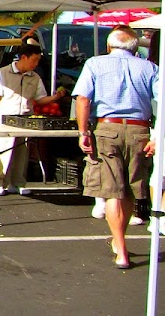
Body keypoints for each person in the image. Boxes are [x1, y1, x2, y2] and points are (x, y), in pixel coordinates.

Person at [75, 26, 159, 269]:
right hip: (139, 130)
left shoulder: (94, 63)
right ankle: (120, 243)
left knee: (112, 190)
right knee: (130, 190)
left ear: (110, 46)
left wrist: (83, 132)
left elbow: (83, 98)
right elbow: (162, 100)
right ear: (136, 47)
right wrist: (157, 135)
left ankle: (120, 247)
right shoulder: (150, 67)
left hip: (107, 128)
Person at [0, 43, 66, 196]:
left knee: (22, 152)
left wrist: (55, 98)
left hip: (26, 118)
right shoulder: (3, 73)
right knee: (4, 151)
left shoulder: (35, 77)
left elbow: (40, 99)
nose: (36, 64)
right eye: (34, 60)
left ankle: (18, 183)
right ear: (24, 57)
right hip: (6, 119)